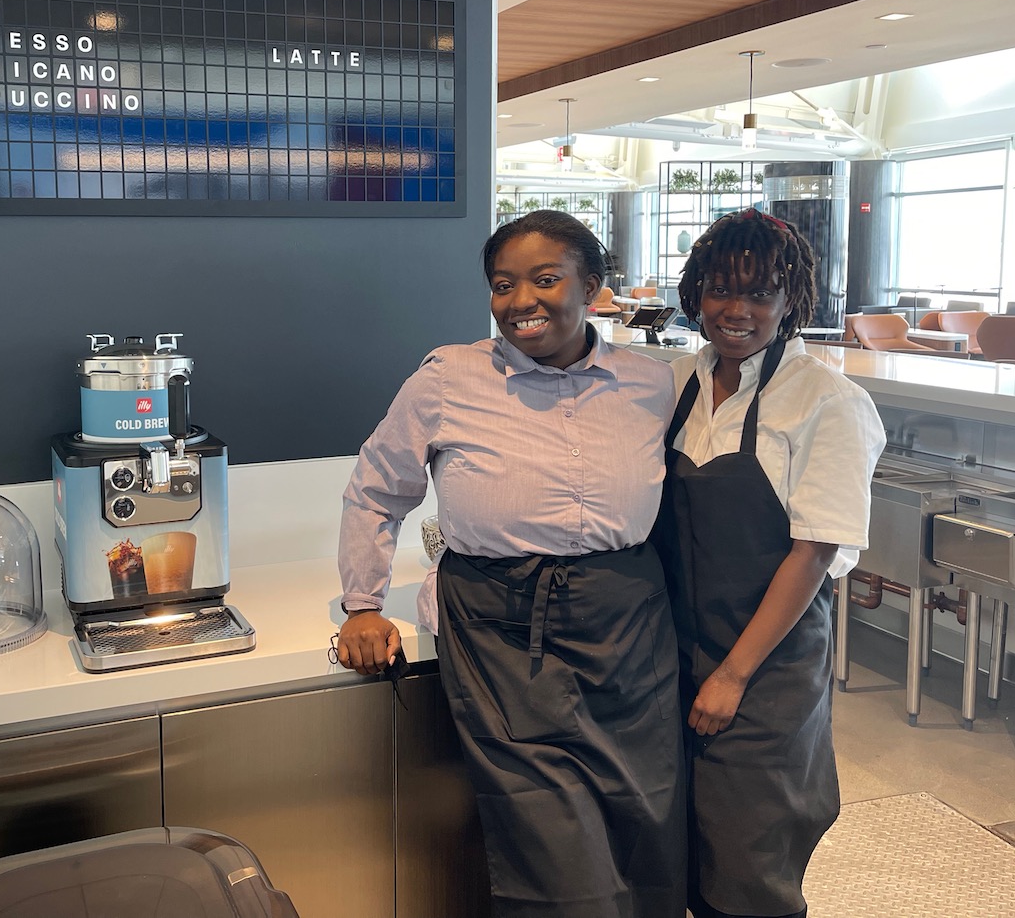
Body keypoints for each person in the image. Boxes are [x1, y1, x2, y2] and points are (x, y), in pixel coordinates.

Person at [336, 210, 687, 918]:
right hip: (502, 629)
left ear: (593, 286)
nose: (520, 300)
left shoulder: (651, 383)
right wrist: (363, 603)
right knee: (554, 849)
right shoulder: (448, 377)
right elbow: (376, 487)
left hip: (631, 627)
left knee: (648, 825)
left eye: (545, 279)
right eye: (503, 284)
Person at [652, 208, 884, 918]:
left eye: (759, 294)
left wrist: (732, 674)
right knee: (685, 845)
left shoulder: (827, 402)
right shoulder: (676, 383)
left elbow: (812, 552)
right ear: (696, 292)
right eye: (722, 288)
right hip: (673, 653)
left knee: (752, 860)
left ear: (792, 301)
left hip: (765, 667)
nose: (737, 310)